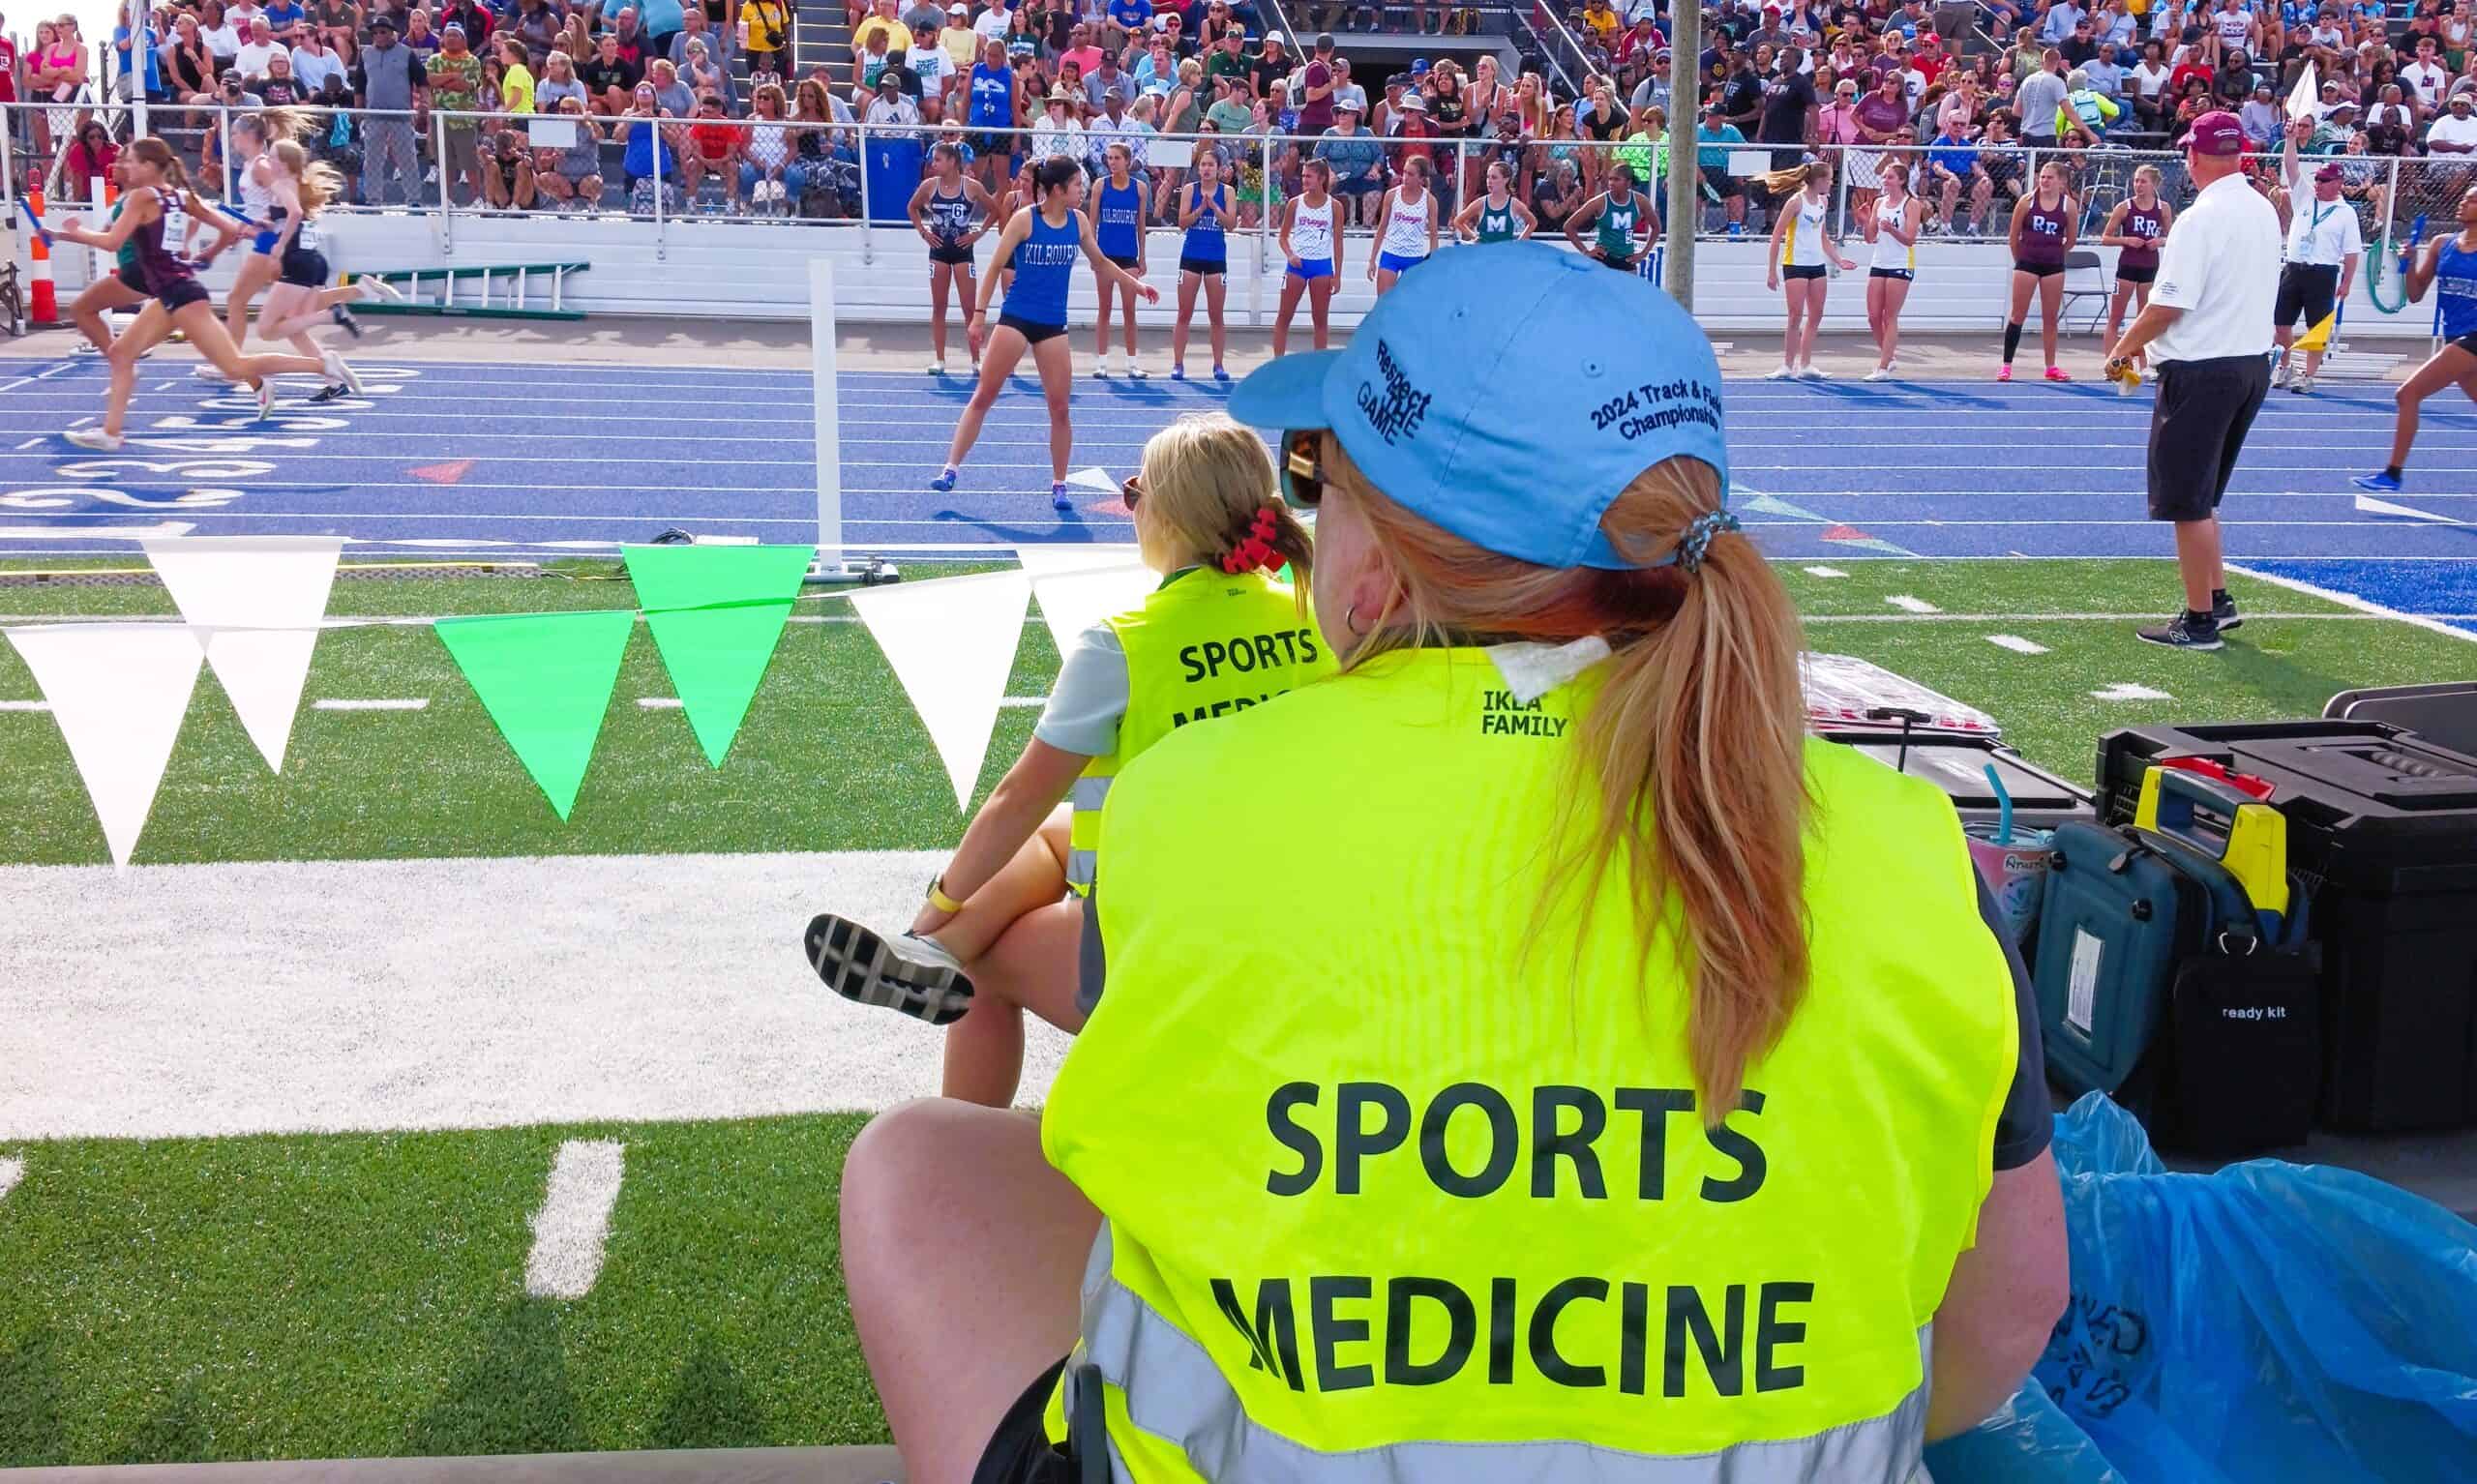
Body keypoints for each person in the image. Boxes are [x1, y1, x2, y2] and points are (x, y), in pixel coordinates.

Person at [839, 240, 2069, 1484]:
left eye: (1318, 482)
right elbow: (2005, 1319)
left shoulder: (1190, 804)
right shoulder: (1918, 854)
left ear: (1379, 563)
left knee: (922, 1162)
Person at [810, 412, 1326, 1102]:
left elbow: (1014, 797)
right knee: (1058, 832)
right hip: (1296, 920)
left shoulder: (1123, 644)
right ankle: (929, 955)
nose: (1128, 506)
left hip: (1166, 946)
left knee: (984, 966)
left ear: (1166, 514)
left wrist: (938, 904)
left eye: (1136, 492)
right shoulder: (1314, 613)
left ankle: (959, 1111)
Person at [2105, 109, 2279, 650]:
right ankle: (2218, 600)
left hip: (2204, 369)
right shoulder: (2262, 209)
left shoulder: (2200, 218)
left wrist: (2124, 347)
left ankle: (2200, 620)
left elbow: (2168, 304)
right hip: (2249, 363)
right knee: (2202, 497)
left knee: (2185, 499)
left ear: (2194, 156)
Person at [53, 139, 341, 450]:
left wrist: (74, 233)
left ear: (149, 167)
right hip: (172, 291)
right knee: (121, 353)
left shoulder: (140, 197)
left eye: (133, 162)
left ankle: (322, 366)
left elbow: (112, 243)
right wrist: (208, 255)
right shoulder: (180, 197)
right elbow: (230, 230)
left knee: (234, 366)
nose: (126, 167)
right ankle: (110, 433)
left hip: (179, 294)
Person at [932, 157, 1161, 511]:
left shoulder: (1079, 221)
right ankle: (951, 468)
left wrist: (1136, 284)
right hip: (1016, 318)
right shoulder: (1026, 220)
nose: (1081, 190)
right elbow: (994, 266)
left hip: (1053, 324)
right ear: (1057, 189)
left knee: (1060, 408)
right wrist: (978, 316)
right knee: (984, 395)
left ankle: (1059, 484)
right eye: (1075, 185)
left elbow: (1100, 262)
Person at [251, 138, 399, 401]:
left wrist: (279, 246)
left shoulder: (281, 184)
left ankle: (331, 315)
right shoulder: (294, 184)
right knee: (295, 328)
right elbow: (288, 216)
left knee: (267, 329)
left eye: (272, 157)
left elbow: (294, 213)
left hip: (297, 262)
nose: (268, 161)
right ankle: (333, 379)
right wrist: (266, 224)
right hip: (312, 261)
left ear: (284, 164)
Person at [2354, 186, 2477, 494]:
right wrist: (2407, 264)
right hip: (2455, 334)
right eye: (2464, 197)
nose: (2464, 203)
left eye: (2473, 200)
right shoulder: (2441, 244)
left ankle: (2392, 473)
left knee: (2407, 394)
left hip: (2473, 338)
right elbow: (2415, 293)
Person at [196, 110, 309, 386]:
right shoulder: (252, 166)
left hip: (270, 243)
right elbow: (264, 208)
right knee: (293, 310)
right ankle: (353, 298)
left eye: (234, 133)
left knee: (236, 300)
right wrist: (248, 229)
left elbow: (287, 201)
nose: (231, 138)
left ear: (248, 135)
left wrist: (269, 227)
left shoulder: (261, 165)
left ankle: (231, 366)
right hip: (265, 240)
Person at [2271, 126, 2363, 397]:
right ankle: (2285, 366)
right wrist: (2289, 139)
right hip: (2294, 267)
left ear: (2337, 183)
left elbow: (2352, 252)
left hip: (2323, 272)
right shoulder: (2304, 198)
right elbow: (2291, 167)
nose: (2318, 184)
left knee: (2317, 328)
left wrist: (2346, 283)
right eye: (2318, 179)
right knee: (2281, 324)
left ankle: (2308, 375)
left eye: (2324, 180)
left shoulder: (2345, 213)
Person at [910, 138, 998, 375]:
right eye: (933, 159)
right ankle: (940, 359)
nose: (933, 163)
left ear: (952, 162)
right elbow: (912, 207)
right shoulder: (930, 186)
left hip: (962, 250)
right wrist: (923, 232)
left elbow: (995, 210)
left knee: (970, 307)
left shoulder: (972, 186)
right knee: (939, 306)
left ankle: (976, 360)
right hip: (938, 250)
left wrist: (977, 233)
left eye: (938, 159)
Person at [1763, 157, 1855, 378]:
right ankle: (1787, 364)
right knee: (1795, 315)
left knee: (1816, 314)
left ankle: (1805, 364)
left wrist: (1838, 259)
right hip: (1795, 263)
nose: (1831, 183)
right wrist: (1771, 271)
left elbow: (1823, 237)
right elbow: (1776, 236)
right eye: (1830, 179)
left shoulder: (1823, 202)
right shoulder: (1796, 202)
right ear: (1819, 180)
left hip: (1817, 265)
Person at [2002, 160, 2077, 382]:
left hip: (2053, 265)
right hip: (2027, 262)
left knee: (2050, 318)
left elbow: (2071, 240)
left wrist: (2055, 255)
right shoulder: (2026, 202)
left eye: (2050, 177)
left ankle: (2050, 366)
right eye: (2042, 176)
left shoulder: (2068, 205)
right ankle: (2007, 365)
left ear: (2061, 182)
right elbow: (2013, 238)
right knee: (2017, 315)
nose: (2044, 181)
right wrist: (2022, 260)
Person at [2099, 163, 2171, 379]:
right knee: (2116, 317)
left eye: (2143, 181)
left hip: (2149, 267)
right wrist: (2126, 239)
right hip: (2127, 267)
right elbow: (2105, 237)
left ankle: (2145, 364)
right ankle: (2112, 364)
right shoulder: (2125, 207)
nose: (2138, 185)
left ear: (2154, 185)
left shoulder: (2163, 208)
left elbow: (2172, 237)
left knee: (2144, 317)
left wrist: (2159, 241)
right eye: (2136, 181)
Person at [1170, 148, 1234, 382]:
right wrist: (1200, 209)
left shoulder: (1227, 192)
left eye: (1210, 165)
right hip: (1192, 256)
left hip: (1216, 257)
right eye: (1203, 165)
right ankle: (1178, 363)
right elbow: (1182, 223)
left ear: (1218, 169)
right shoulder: (1190, 190)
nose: (1206, 169)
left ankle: (1218, 364)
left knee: (1216, 315)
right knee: (1184, 312)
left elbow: (1231, 225)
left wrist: (1215, 208)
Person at [1089, 141, 1151, 378]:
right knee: (1104, 308)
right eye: (1109, 158)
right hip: (1105, 256)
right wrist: (1094, 255)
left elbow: (1141, 225)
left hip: (1128, 257)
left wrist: (1142, 257)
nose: (1112, 162)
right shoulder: (1100, 186)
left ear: (1127, 160)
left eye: (1116, 158)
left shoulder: (1139, 188)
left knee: (1129, 310)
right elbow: (1092, 223)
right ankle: (1102, 362)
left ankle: (1132, 363)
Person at [1270, 157, 1341, 356]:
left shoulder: (1334, 206)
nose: (1304, 180)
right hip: (1297, 266)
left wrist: (1337, 274)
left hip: (1322, 267)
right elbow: (1283, 237)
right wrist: (1290, 255)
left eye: (1309, 176)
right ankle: (1278, 363)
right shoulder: (1295, 203)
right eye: (1303, 176)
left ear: (1322, 179)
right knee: (1284, 317)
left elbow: (1338, 242)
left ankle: (1318, 366)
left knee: (1320, 320)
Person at [1863, 158, 1924, 381]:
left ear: (1901, 180)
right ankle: (1889, 356)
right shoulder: (1879, 203)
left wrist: (1891, 229)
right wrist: (1864, 221)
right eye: (1884, 176)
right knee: (1873, 316)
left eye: (1890, 177)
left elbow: (1909, 239)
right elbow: (1870, 238)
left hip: (1900, 262)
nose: (1885, 180)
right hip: (1880, 260)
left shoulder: (1911, 204)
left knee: (1890, 315)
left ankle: (1883, 366)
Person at [1565, 159, 1656, 276]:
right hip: (1603, 259)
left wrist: (1643, 253)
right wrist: (1585, 251)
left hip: (1627, 259)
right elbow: (1568, 226)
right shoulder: (1599, 202)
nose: (1611, 183)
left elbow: (1656, 227)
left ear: (1628, 183)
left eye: (1616, 179)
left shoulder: (1640, 201)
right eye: (1610, 179)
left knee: (1628, 293)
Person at [1370, 155, 1438, 295]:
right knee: (1384, 305)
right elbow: (1382, 228)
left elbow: (1433, 236)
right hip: (1391, 253)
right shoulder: (1392, 195)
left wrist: (1433, 265)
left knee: (1408, 308)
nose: (1405, 177)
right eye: (1405, 172)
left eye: (1411, 174)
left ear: (1421, 178)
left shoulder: (1430, 201)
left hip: (1414, 257)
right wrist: (1372, 259)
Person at [1453, 157, 1536, 242]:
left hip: (1505, 253)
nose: (1489, 181)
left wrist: (1520, 241)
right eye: (1488, 177)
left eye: (1494, 177)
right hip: (1485, 252)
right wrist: (1474, 236)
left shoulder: (1514, 203)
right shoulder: (1481, 203)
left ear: (1506, 180)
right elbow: (1458, 221)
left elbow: (1533, 222)